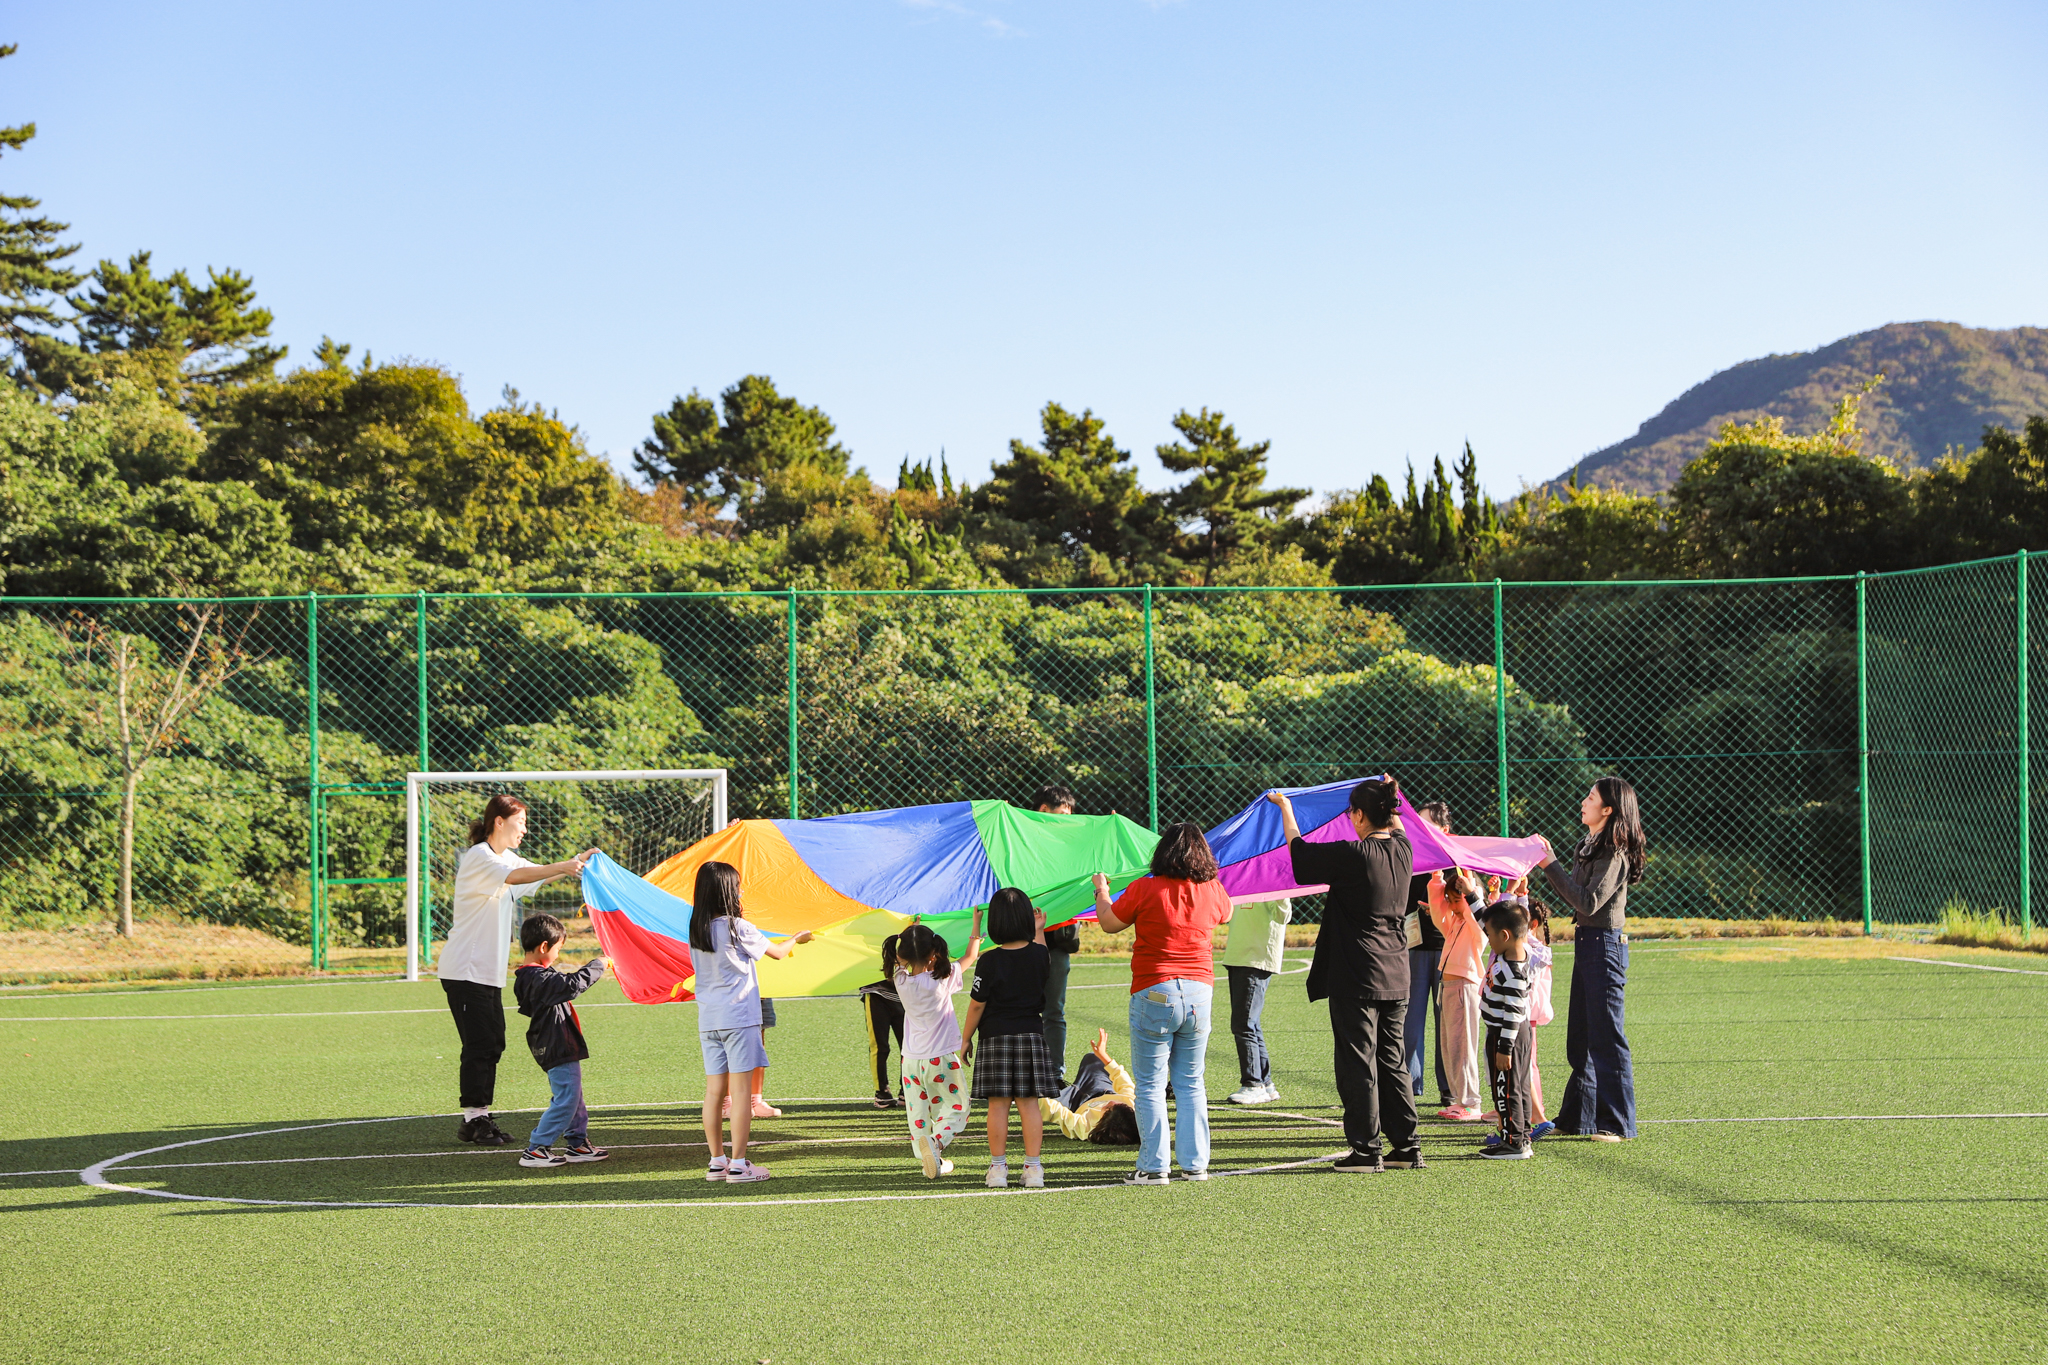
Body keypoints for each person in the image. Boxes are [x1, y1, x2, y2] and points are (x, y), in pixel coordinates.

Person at [1269, 780, 1423, 1173]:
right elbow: (1400, 824)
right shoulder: (1404, 850)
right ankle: (1406, 1146)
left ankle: (1366, 1149)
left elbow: (1299, 855)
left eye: (1351, 813)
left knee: (1358, 1062)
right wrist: (1394, 793)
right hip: (1396, 970)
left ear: (1357, 814)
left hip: (1357, 973)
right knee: (1393, 1061)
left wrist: (1286, 808)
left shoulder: (1355, 853)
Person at [440, 794, 597, 1147]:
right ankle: (474, 1120)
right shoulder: (480, 856)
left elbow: (534, 875)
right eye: (520, 822)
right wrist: (564, 864)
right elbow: (517, 875)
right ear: (499, 821)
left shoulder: (505, 857)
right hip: (465, 970)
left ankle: (477, 1116)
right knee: (481, 1043)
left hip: (485, 972)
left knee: (492, 1041)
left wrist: (576, 863)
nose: (524, 829)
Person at [1091, 821, 1233, 1184]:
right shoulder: (1211, 888)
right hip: (1199, 992)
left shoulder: (1145, 888)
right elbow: (1227, 912)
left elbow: (1108, 923)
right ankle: (1195, 1163)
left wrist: (1101, 892)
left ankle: (1154, 1166)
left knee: (1151, 1084)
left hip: (1155, 989)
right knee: (1190, 1082)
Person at [687, 860, 812, 1184]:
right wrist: (797, 938)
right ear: (729, 891)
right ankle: (740, 1164)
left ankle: (717, 1162)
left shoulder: (696, 930)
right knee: (742, 1094)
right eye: (738, 885)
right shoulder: (738, 927)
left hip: (709, 1020)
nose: (741, 890)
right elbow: (777, 953)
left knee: (715, 1093)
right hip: (739, 1019)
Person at [1537, 776, 1646, 1142]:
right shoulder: (1589, 844)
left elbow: (1587, 902)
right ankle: (1577, 1117)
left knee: (1606, 1036)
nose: (1583, 801)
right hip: (1588, 942)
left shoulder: (1615, 852)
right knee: (1580, 1038)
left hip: (1606, 946)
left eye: (1590, 797)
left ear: (1608, 810)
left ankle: (1617, 1123)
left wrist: (1549, 864)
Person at [961, 888, 1056, 1189]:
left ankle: (998, 1170)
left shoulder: (988, 961)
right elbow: (1039, 957)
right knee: (1029, 1104)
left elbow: (977, 1004)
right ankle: (1034, 1169)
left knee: (998, 1106)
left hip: (995, 1038)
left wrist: (965, 1038)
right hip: (1031, 1035)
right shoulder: (1040, 953)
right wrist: (1039, 932)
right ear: (1027, 919)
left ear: (997, 922)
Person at [511, 914, 610, 1168]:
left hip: (560, 1043)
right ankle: (536, 1148)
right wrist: (599, 964)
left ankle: (577, 1143)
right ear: (544, 947)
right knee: (566, 1097)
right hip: (556, 1044)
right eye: (558, 949)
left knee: (573, 1095)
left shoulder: (535, 975)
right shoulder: (536, 978)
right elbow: (573, 984)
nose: (558, 954)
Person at [894, 919, 981, 1179]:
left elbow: (899, 959)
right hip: (940, 1059)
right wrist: (975, 925)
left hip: (910, 1062)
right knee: (957, 1107)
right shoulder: (943, 978)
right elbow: (971, 956)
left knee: (918, 1114)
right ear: (934, 954)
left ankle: (929, 1160)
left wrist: (909, 930)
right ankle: (936, 1143)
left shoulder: (900, 980)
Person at [1475, 896, 1536, 1160]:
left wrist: (1504, 1049)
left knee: (1506, 1088)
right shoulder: (1515, 948)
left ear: (1504, 935)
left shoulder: (1513, 972)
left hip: (1506, 1034)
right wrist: (1470, 895)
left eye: (1490, 936)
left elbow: (1512, 1013)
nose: (1487, 939)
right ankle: (1521, 1136)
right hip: (1512, 1033)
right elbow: (1487, 922)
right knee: (1519, 1086)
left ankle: (1513, 1142)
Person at [1429, 864, 1487, 1122]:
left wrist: (1471, 889)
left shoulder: (1478, 927)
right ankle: (1459, 1099)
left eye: (1457, 900)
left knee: (1464, 1047)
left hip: (1465, 988)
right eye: (1450, 900)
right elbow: (1436, 913)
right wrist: (1436, 880)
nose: (1452, 906)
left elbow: (1480, 921)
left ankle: (1471, 1102)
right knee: (1450, 1047)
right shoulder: (1453, 923)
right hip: (1449, 988)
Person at [1407, 802, 1455, 1107]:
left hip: (1447, 950)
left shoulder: (1454, 862)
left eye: (1428, 824)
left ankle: (1449, 1089)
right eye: (1417, 823)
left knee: (1447, 1023)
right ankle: (1408, 1086)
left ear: (1444, 830)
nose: (1420, 829)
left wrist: (1439, 907)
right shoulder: (1408, 856)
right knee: (1408, 1022)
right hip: (1411, 948)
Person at [1222, 896, 1292, 1105]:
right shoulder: (1240, 879)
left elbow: (1284, 915)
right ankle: (1265, 1083)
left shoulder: (1271, 882)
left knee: (1244, 1024)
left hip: (1256, 959)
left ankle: (1253, 1084)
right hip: (1237, 957)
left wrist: (1280, 892)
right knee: (1251, 1024)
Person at [1033, 782, 1081, 1085]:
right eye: (1063, 815)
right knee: (1019, 1012)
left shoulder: (1073, 846)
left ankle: (1053, 1073)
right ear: (1043, 811)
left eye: (1071, 815)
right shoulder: (1026, 843)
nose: (1069, 821)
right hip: (1022, 943)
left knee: (1054, 1012)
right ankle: (1021, 1072)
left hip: (1058, 943)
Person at [1039, 1027, 1141, 1145]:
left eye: (1107, 1109)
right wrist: (1104, 1056)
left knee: (1039, 1100)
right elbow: (1125, 1083)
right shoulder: (1132, 1105)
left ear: (1101, 1122)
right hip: (1101, 1088)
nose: (1110, 1103)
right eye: (1118, 1105)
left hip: (1073, 1102)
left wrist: (1032, 1092)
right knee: (1093, 1057)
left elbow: (1057, 1111)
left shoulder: (1085, 1128)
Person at [856, 935, 906, 1108]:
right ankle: (882, 1091)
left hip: (905, 996)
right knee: (879, 1046)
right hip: (876, 994)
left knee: (908, 1046)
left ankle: (907, 1090)